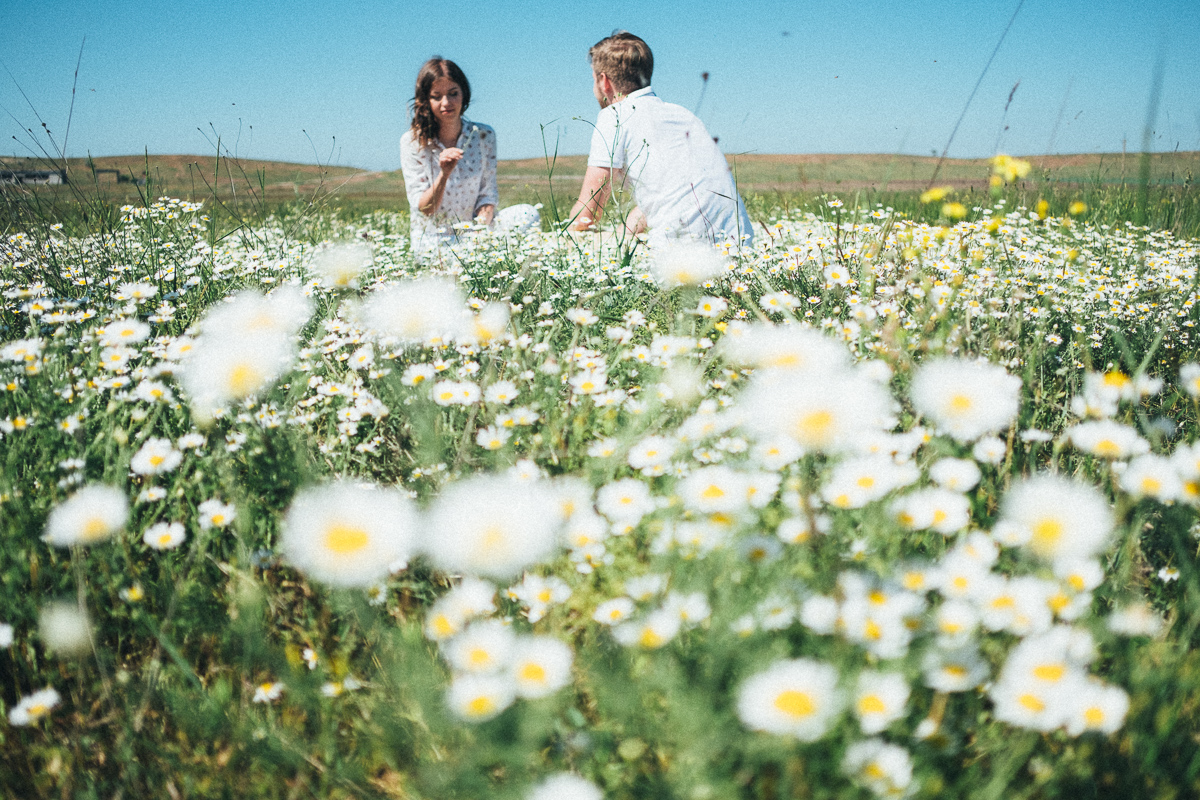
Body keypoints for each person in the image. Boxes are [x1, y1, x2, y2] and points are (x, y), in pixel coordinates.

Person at [569, 32, 753, 247]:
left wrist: (563, 239)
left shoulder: (615, 115)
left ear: (604, 81)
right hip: (739, 249)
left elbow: (586, 215)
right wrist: (625, 233)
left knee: (576, 240)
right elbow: (670, 194)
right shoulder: (682, 115)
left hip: (682, 257)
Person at [400, 57, 539, 261]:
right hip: (435, 239)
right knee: (452, 258)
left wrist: (479, 236)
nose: (446, 103)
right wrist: (444, 175)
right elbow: (425, 209)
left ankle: (493, 261)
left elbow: (487, 195)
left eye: (453, 93)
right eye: (436, 96)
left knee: (528, 213)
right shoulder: (413, 142)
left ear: (464, 94)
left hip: (474, 233)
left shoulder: (483, 135)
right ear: (426, 101)